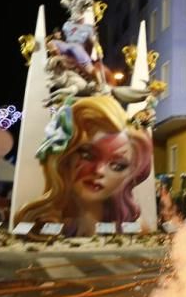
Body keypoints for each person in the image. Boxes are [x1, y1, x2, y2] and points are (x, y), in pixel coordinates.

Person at [13, 95, 152, 236]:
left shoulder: (136, 228)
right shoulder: (41, 223)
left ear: (130, 174)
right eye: (87, 155)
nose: (99, 171)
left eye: (117, 165)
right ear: (66, 156)